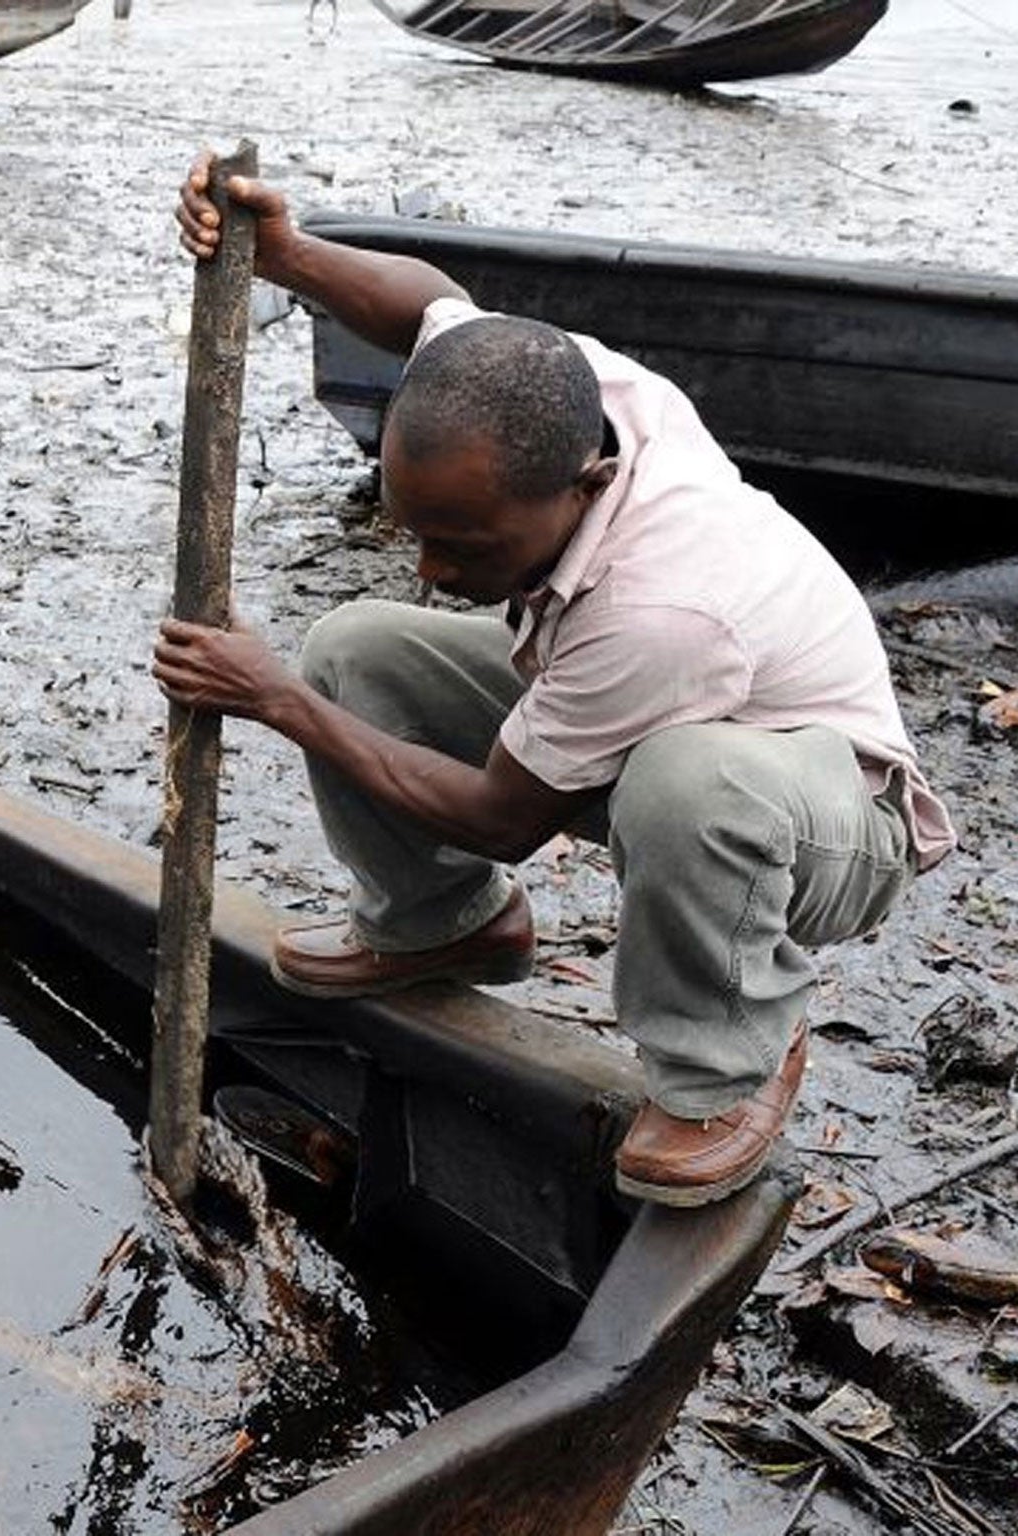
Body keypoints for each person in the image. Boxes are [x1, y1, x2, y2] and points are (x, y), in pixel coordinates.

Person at [156, 153, 956, 1208]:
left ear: (580, 489)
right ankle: (440, 925)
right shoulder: (564, 391)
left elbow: (500, 817)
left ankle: (725, 1067)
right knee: (355, 649)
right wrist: (287, 253)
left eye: (462, 544)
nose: (434, 572)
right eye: (417, 534)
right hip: (667, 723)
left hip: (829, 819)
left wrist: (272, 702)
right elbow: (433, 310)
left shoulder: (660, 609)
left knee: (688, 785)